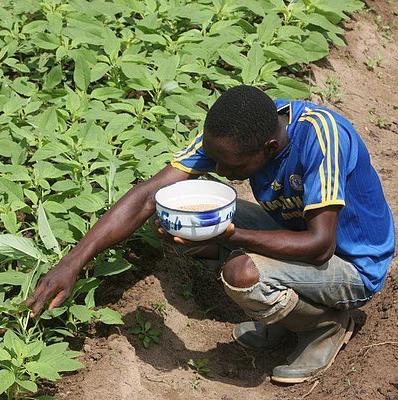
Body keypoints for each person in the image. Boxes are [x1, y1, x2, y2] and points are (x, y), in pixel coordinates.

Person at [25, 85, 395, 383]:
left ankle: (323, 325)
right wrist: (72, 262)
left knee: (242, 273)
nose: (214, 168)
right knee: (188, 216)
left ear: (268, 148)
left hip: (351, 263)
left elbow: (319, 246)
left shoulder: (319, 136)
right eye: (213, 158)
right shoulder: (241, 126)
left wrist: (231, 236)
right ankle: (286, 318)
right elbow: (147, 197)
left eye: (228, 165)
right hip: (295, 232)